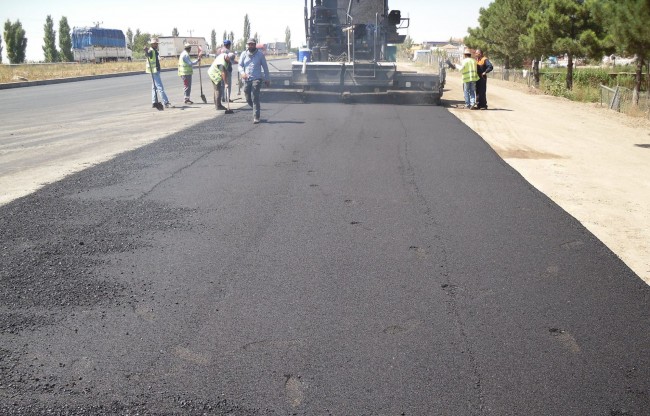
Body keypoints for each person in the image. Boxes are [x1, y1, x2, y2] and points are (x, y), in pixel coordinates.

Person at [238, 38, 270, 124]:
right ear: (247, 45)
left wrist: (267, 79)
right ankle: (256, 109)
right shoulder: (244, 54)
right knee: (248, 97)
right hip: (247, 79)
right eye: (249, 44)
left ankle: (256, 116)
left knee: (255, 96)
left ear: (255, 45)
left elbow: (265, 68)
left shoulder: (260, 55)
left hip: (257, 79)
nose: (250, 46)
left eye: (252, 44)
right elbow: (240, 66)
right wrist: (242, 73)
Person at [144, 38, 172, 108]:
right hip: (155, 71)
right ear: (152, 44)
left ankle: (154, 102)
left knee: (154, 88)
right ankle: (166, 102)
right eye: (155, 44)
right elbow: (148, 55)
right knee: (160, 87)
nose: (156, 45)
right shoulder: (151, 50)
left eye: (157, 44)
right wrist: (146, 51)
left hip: (154, 70)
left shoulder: (154, 50)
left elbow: (153, 57)